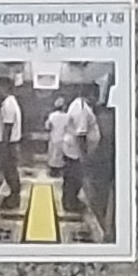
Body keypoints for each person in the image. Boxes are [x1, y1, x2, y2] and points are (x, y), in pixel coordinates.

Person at [45, 83, 96, 225]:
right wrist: (84, 155)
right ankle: (71, 203)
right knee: (75, 177)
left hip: (65, 144)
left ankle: (68, 200)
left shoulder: (75, 105)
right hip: (75, 149)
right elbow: (81, 134)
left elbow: (48, 126)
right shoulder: (81, 109)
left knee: (68, 174)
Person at [0, 78, 23, 219]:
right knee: (11, 170)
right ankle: (14, 195)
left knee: (10, 170)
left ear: (5, 88)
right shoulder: (10, 102)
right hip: (11, 144)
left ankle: (14, 197)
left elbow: (7, 128)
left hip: (9, 144)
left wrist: (3, 147)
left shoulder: (8, 104)